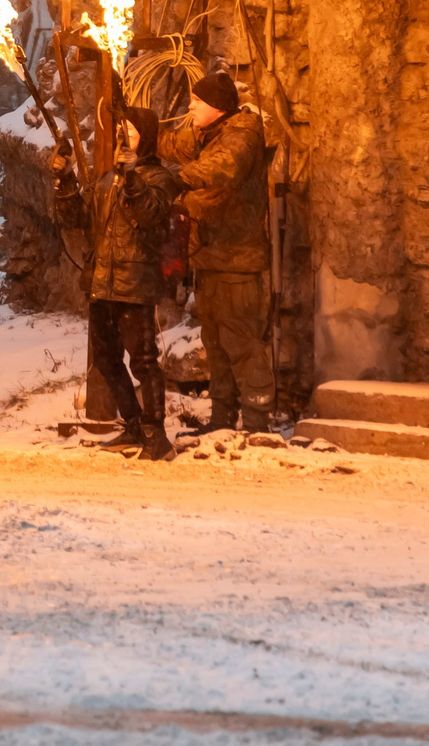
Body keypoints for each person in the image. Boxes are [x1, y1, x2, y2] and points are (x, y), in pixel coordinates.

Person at [159, 68, 275, 433]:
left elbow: (225, 165)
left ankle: (257, 421)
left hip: (237, 262)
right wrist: (132, 123)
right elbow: (170, 144)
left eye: (197, 101)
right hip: (210, 260)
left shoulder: (241, 136)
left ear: (218, 106)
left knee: (242, 343)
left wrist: (181, 178)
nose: (190, 105)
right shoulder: (207, 133)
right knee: (217, 346)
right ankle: (223, 418)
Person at [62, 108, 175, 461]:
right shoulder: (108, 180)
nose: (123, 134)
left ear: (146, 136)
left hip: (134, 284)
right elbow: (78, 219)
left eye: (131, 129)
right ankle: (134, 425)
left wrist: (132, 178)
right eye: (121, 128)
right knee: (107, 360)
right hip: (102, 284)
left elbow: (151, 215)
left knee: (143, 361)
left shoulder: (160, 177)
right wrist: (65, 181)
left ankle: (157, 436)